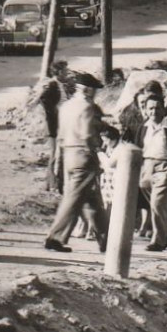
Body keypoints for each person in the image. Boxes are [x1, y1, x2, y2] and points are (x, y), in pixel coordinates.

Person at [44, 72, 106, 253]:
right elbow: (87, 135)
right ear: (87, 90)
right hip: (83, 155)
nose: (95, 94)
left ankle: (107, 239)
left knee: (91, 200)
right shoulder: (87, 107)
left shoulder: (66, 106)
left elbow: (61, 135)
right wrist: (97, 149)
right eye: (94, 90)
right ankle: (55, 237)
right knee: (74, 198)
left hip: (68, 155)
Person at [119, 82, 167, 251]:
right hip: (146, 167)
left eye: (157, 108)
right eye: (150, 109)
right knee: (153, 203)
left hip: (163, 166)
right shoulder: (143, 128)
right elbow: (138, 146)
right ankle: (164, 233)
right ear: (146, 109)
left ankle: (158, 240)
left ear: (163, 109)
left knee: (158, 203)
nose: (154, 112)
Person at [36, 60, 70, 194]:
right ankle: (52, 184)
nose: (67, 73)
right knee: (55, 155)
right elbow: (44, 100)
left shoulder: (59, 85)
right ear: (59, 72)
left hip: (59, 125)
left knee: (56, 154)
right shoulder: (52, 84)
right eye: (65, 71)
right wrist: (56, 112)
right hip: (55, 126)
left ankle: (51, 183)